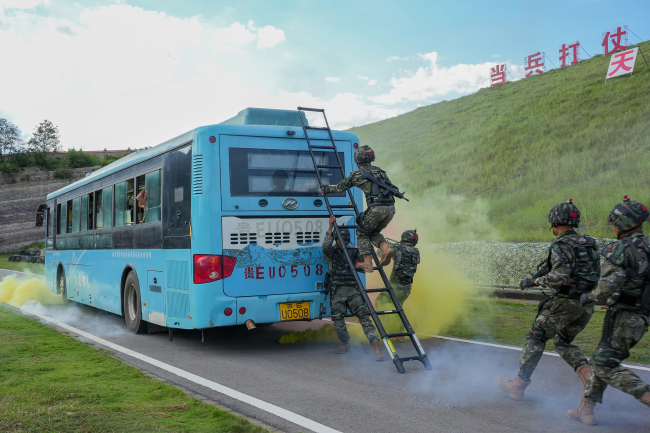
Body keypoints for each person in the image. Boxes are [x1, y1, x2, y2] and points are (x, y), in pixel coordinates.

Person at [497, 199, 600, 401]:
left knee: (536, 337)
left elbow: (559, 277)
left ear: (554, 223)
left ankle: (518, 386)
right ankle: (589, 377)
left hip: (566, 302)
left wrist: (535, 281)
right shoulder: (589, 243)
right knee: (562, 342)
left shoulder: (561, 244)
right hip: (587, 303)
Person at [567, 196, 650, 426]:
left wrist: (588, 297)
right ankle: (586, 409)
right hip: (641, 317)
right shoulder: (648, 246)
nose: (613, 227)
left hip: (624, 316)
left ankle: (646, 394)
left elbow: (605, 291)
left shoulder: (622, 249)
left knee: (605, 364)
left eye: (615, 223)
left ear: (623, 224)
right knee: (602, 358)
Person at [322, 145, 396, 273]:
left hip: (376, 209)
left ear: (357, 159)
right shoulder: (380, 171)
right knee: (372, 232)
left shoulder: (357, 174)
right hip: (390, 209)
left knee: (361, 232)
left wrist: (327, 190)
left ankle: (367, 263)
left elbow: (340, 187)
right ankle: (385, 247)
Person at [322, 215, 384, 361]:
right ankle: (345, 343)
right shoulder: (331, 253)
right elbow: (325, 247)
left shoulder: (353, 251)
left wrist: (375, 248)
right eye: (340, 239)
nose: (343, 242)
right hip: (337, 291)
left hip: (353, 291)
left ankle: (376, 346)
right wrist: (330, 227)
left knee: (364, 317)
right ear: (336, 239)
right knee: (338, 321)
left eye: (345, 240)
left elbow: (367, 261)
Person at [375, 230, 420, 333]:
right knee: (398, 308)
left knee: (380, 302)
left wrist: (386, 246)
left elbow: (379, 253)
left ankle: (386, 328)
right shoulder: (416, 251)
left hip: (395, 286)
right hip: (407, 287)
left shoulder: (398, 248)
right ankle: (400, 333)